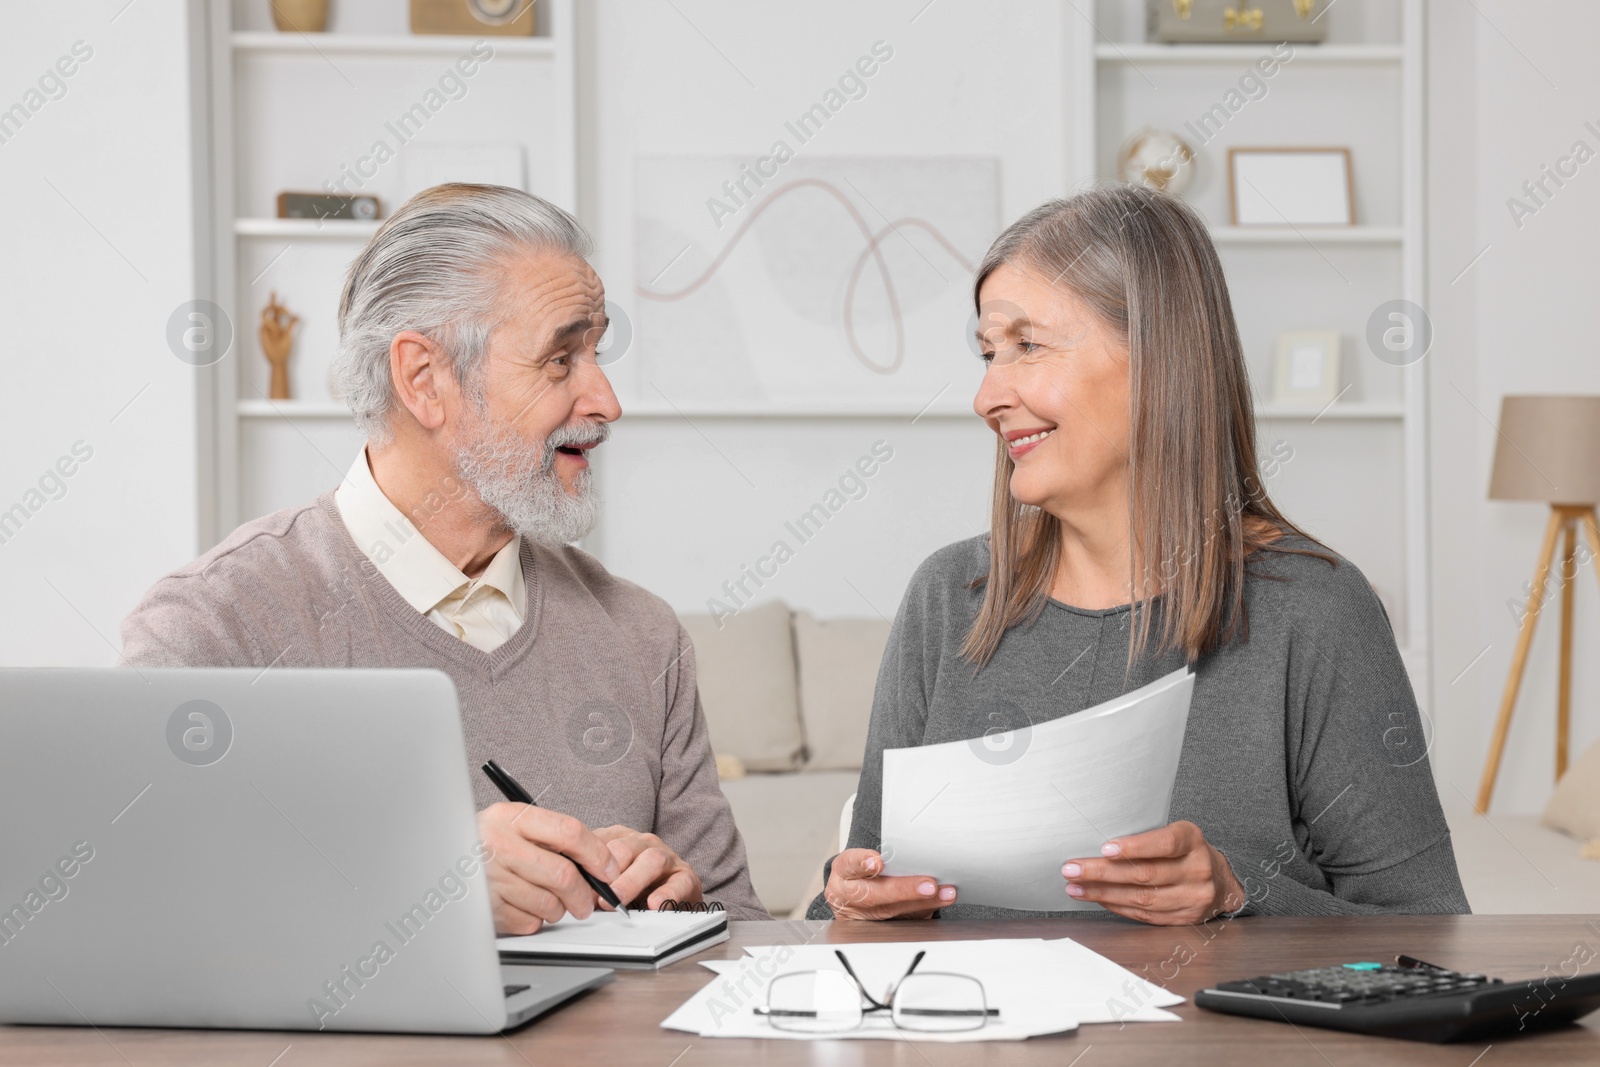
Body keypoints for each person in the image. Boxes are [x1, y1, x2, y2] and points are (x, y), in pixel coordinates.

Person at [810, 183, 1469, 925]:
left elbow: (1436, 935)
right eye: (989, 352)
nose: (986, 395)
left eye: (1026, 345)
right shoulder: (949, 596)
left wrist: (1237, 894)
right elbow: (841, 907)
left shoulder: (1315, 611)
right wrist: (852, 903)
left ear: (1158, 356)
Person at [122, 183, 767, 929]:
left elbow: (747, 933)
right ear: (425, 381)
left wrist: (688, 912)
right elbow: (135, 920)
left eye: (595, 353)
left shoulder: (643, 636)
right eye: (561, 359)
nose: (606, 399)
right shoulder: (214, 627)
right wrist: (428, 883)